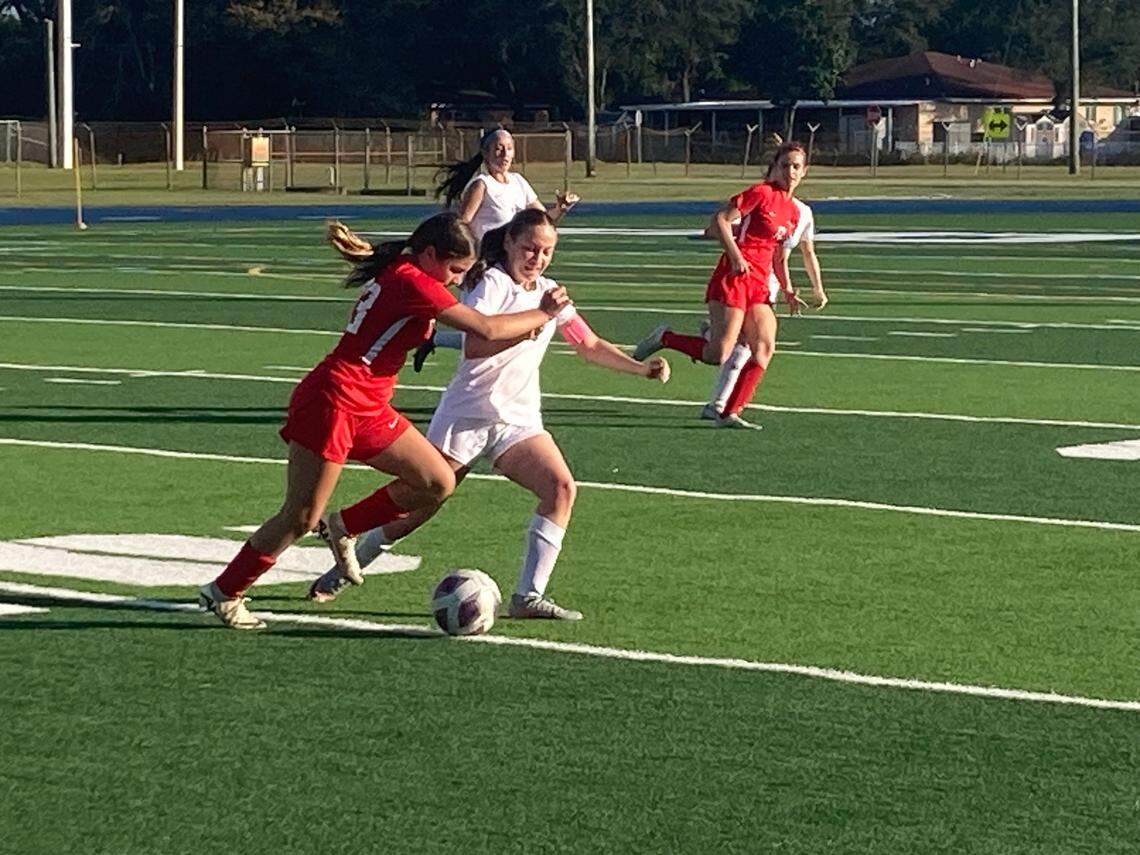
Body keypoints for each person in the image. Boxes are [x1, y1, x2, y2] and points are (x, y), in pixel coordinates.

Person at [198, 212, 570, 630]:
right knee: (301, 516)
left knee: (436, 482)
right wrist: (542, 312)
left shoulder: (411, 272)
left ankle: (344, 526)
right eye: (453, 271)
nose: (453, 281)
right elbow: (483, 327)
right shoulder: (412, 280)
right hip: (334, 399)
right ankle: (226, 591)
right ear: (430, 254)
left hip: (370, 404)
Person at [306, 209, 671, 620]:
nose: (538, 258)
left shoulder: (550, 292)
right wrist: (534, 322)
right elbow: (475, 347)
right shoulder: (492, 284)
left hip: (518, 420)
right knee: (422, 504)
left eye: (547, 250)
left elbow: (588, 344)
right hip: (468, 414)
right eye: (530, 248)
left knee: (561, 489)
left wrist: (641, 368)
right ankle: (342, 566)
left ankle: (527, 597)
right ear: (511, 243)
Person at [632, 141, 812, 429]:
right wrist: (736, 256)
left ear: (804, 172)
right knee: (719, 354)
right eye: (785, 165)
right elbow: (721, 220)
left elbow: (777, 253)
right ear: (775, 167)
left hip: (759, 285)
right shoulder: (761, 193)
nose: (790, 171)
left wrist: (788, 288)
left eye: (796, 166)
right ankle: (666, 338)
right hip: (734, 277)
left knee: (763, 348)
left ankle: (729, 412)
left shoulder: (794, 211)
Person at [415, 128, 580, 371]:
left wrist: (561, 208)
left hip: (513, 266)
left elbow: (541, 220)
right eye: (498, 148)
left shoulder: (519, 182)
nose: (504, 153)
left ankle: (434, 340)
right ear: (485, 152)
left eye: (509, 148)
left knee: (505, 326)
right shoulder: (482, 185)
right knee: (480, 330)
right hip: (487, 265)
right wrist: (464, 262)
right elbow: (461, 225)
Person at [700, 195, 827, 421]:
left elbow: (805, 251)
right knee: (742, 348)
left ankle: (722, 405)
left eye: (797, 167)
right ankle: (720, 406)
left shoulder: (803, 212)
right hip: (747, 279)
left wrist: (817, 288)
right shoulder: (764, 201)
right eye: (786, 166)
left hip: (769, 285)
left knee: (755, 348)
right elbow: (720, 227)